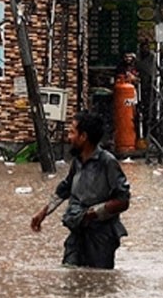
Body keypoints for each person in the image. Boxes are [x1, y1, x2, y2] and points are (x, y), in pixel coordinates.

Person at [30, 111, 131, 268]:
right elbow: (65, 188)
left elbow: (123, 201)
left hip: (101, 236)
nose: (68, 137)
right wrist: (44, 212)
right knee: (70, 272)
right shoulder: (77, 162)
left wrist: (92, 214)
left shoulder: (107, 162)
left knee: (98, 280)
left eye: (72, 132)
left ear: (83, 137)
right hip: (78, 231)